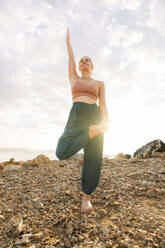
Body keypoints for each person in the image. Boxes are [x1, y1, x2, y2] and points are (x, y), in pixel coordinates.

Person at [55, 28, 110, 213]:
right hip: (77, 119)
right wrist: (68, 42)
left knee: (93, 158)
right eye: (81, 60)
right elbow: (70, 58)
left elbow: (102, 105)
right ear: (79, 66)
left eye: (87, 60)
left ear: (92, 66)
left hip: (94, 118)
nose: (83, 61)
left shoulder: (99, 84)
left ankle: (86, 198)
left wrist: (106, 123)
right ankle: (88, 133)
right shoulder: (74, 78)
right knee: (61, 151)